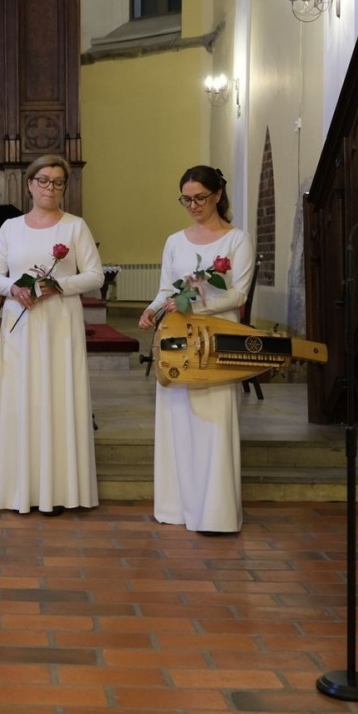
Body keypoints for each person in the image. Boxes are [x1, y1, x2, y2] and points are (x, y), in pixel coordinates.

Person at [0, 155, 105, 515]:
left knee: (58, 395)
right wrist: (12, 288)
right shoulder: (10, 228)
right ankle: (19, 487)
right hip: (21, 322)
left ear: (64, 187)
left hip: (60, 321)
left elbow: (95, 275)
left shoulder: (75, 226)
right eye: (44, 180)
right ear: (29, 184)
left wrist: (59, 285)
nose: (50, 187)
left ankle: (59, 489)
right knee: (22, 397)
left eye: (58, 182)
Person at [139, 166, 254, 534]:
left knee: (214, 419)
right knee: (178, 419)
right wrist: (152, 308)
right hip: (178, 337)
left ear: (217, 195)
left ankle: (215, 514)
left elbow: (238, 294)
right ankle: (177, 507)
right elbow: (166, 289)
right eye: (186, 199)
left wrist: (193, 305)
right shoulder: (175, 241)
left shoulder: (237, 240)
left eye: (200, 198)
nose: (193, 205)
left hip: (218, 337)